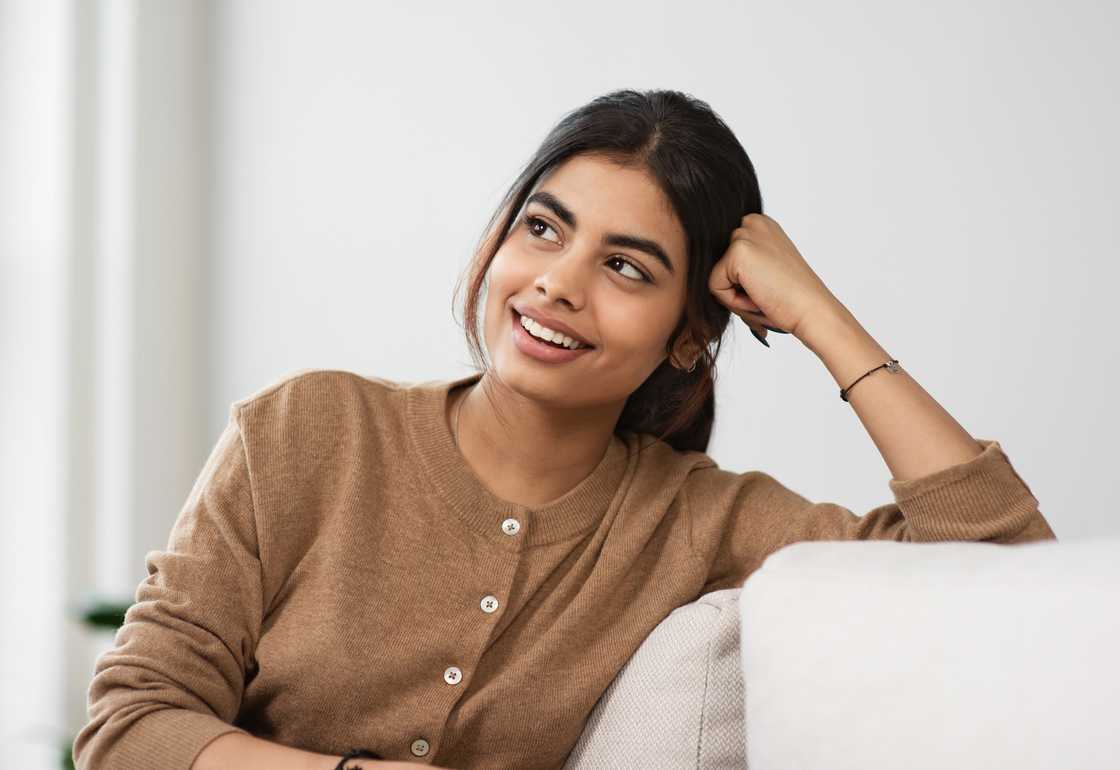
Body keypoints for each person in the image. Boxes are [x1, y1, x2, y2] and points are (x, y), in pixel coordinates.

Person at [73, 88, 1056, 770]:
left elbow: (1006, 574)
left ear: (688, 336)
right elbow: (128, 727)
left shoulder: (697, 520)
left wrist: (821, 317)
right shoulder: (310, 429)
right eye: (542, 228)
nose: (556, 283)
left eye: (626, 267)